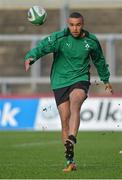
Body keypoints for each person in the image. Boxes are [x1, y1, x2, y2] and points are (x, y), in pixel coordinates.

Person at [24, 12, 113, 172]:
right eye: (72, 25)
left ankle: (72, 138)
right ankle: (70, 161)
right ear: (68, 24)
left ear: (83, 24)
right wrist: (31, 57)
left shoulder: (91, 41)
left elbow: (99, 59)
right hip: (59, 81)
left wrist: (105, 79)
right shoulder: (60, 38)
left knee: (75, 104)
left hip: (80, 78)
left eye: (78, 24)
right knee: (64, 119)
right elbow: (42, 47)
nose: (75, 28)